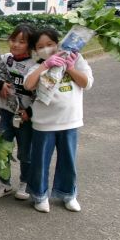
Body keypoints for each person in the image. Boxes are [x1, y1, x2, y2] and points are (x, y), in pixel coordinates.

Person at [23, 27, 93, 213]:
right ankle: (39, 195)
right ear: (35, 50)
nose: (46, 49)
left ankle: (68, 194)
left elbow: (86, 83)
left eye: (50, 44)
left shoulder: (75, 59)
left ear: (58, 43)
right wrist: (45, 66)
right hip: (44, 123)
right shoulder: (35, 65)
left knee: (68, 161)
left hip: (70, 121)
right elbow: (28, 85)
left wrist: (70, 68)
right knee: (40, 161)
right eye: (41, 47)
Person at [0, 24, 37, 200]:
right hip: (6, 113)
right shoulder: (4, 59)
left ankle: (25, 183)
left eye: (22, 42)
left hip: (26, 117)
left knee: (25, 153)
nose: (15, 44)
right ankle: (4, 183)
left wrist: (30, 111)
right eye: (13, 40)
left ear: (30, 45)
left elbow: (42, 93)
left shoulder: (36, 65)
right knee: (2, 148)